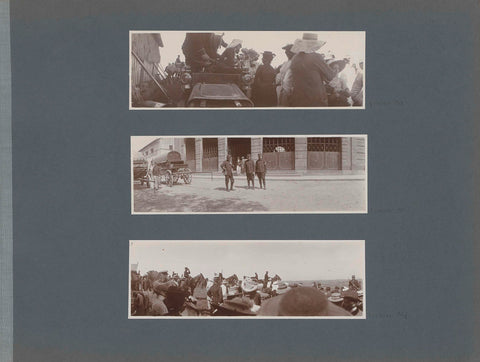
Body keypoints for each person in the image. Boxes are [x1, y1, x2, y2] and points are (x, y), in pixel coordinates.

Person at [288, 33, 336, 107]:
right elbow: (330, 76)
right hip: (315, 99)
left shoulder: (295, 58)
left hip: (298, 99)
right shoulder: (316, 57)